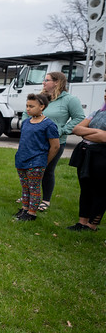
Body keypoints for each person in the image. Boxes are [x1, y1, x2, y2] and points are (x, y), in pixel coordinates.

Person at [35, 72, 84, 212]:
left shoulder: (69, 99)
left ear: (57, 82)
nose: (43, 83)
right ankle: (31, 196)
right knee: (31, 169)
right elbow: (29, 111)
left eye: (47, 80)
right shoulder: (41, 97)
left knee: (47, 170)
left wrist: (62, 130)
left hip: (54, 143)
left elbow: (79, 118)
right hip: (36, 140)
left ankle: (45, 200)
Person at [14, 94, 60, 221]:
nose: (28, 109)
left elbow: (55, 146)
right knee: (25, 187)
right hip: (22, 160)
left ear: (42, 107)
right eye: (27, 106)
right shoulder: (26, 122)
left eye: (31, 106)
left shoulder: (48, 124)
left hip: (36, 161)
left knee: (34, 188)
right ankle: (24, 209)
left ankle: (31, 213)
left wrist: (44, 162)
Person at [67, 89, 106, 231]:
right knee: (85, 188)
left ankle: (92, 225)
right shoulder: (96, 113)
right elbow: (77, 129)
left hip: (102, 156)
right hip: (86, 154)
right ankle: (81, 222)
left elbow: (104, 138)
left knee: (100, 190)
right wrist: (98, 132)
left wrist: (88, 133)